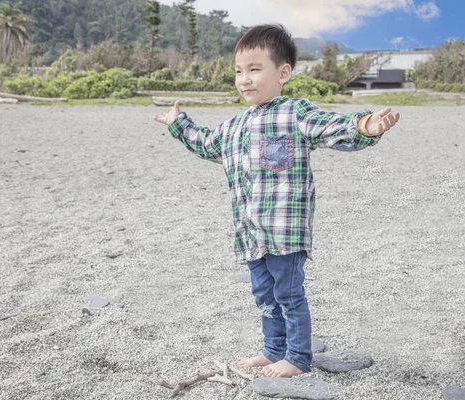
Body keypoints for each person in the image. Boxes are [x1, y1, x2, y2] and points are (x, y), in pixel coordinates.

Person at [154, 24, 400, 378]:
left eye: (255, 69)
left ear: (283, 73)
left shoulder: (294, 113)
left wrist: (364, 125)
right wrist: (179, 122)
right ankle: (273, 350)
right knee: (264, 296)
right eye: (239, 71)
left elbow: (330, 126)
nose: (244, 79)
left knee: (288, 294)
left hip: (284, 232)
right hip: (250, 232)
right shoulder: (233, 126)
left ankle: (298, 357)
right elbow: (207, 144)